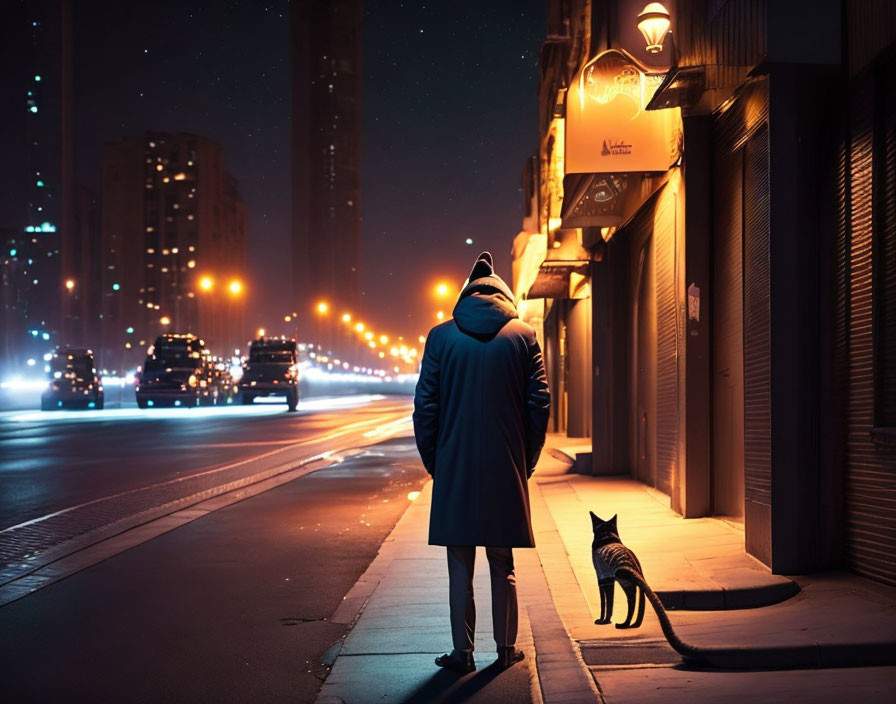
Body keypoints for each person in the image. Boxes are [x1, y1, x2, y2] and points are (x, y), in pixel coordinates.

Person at [413, 251, 551, 674]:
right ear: (504, 296)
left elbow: (425, 408)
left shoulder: (440, 337)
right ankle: (506, 650)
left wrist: (437, 462)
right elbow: (539, 404)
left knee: (459, 563)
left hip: (454, 464)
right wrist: (524, 460)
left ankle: (463, 654)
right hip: (504, 462)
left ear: (464, 295)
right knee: (502, 560)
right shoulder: (524, 337)